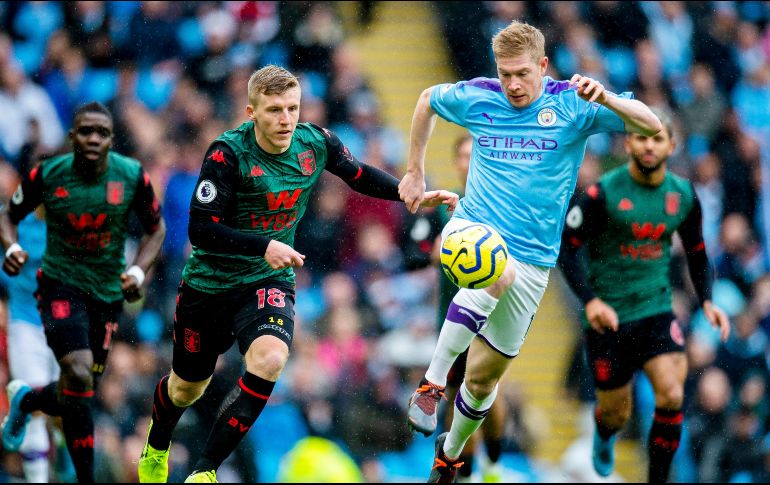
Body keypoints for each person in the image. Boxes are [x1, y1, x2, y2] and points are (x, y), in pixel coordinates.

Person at [136, 64, 458, 484]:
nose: (286, 119)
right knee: (187, 387)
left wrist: (406, 192)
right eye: (274, 110)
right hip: (210, 284)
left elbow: (356, 173)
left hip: (267, 281)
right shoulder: (227, 153)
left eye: (292, 108)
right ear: (251, 112)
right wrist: (262, 245)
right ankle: (157, 446)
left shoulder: (315, 142)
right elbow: (201, 228)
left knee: (270, 360)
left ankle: (205, 471)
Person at [398, 19, 662, 483]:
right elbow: (426, 101)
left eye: (522, 73)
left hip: (535, 260)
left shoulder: (574, 104)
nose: (513, 84)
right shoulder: (480, 95)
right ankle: (431, 384)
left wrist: (606, 99)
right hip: (474, 227)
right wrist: (415, 171)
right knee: (492, 269)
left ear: (543, 65)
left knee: (483, 381)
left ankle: (451, 454)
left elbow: (652, 125)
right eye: (505, 74)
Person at [557, 108, 730, 482]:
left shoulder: (683, 196)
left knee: (671, 394)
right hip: (609, 316)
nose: (649, 146)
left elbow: (698, 253)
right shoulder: (601, 193)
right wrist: (591, 300)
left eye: (657, 138)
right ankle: (604, 435)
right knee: (616, 414)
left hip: (657, 309)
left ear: (672, 145)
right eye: (642, 137)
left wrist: (708, 301)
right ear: (628, 142)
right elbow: (566, 249)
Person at [0, 101, 166, 483]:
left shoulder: (131, 176)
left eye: (101, 132)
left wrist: (139, 269)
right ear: (72, 136)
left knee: (80, 387)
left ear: (111, 139)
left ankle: (28, 400)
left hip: (106, 294)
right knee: (76, 371)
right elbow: (8, 215)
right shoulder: (49, 175)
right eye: (85, 131)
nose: (93, 138)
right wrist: (10, 248)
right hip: (58, 288)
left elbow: (156, 229)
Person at [434, 134, 507, 482]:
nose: (470, 161)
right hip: (453, 317)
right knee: (458, 396)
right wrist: (448, 245)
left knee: (486, 391)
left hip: (494, 316)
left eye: (475, 155)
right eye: (464, 155)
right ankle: (467, 474)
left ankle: (493, 460)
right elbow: (423, 250)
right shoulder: (445, 205)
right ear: (457, 162)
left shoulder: (505, 207)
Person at [0, 206, 76, 483]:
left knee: (64, 404)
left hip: (65, 322)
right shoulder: (10, 220)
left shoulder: (74, 218)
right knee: (33, 406)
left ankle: (62, 439)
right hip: (25, 323)